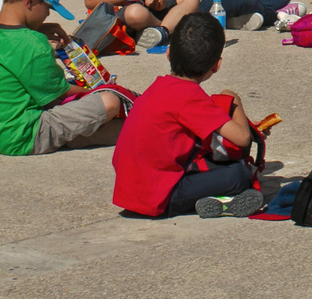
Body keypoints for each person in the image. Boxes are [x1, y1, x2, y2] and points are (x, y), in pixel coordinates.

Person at [0, 0, 125, 155]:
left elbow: (10, 45)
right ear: (31, 0)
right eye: (48, 7)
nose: (48, 15)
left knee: (108, 122)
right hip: (23, 135)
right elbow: (58, 96)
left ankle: (98, 133)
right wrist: (104, 91)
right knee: (109, 102)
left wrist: (36, 29)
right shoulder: (34, 45)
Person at [112, 13, 265, 219]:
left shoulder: (159, 87)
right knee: (239, 174)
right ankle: (221, 201)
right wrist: (235, 101)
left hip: (131, 192)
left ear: (168, 53)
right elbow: (242, 138)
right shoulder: (190, 97)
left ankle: (208, 198)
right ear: (216, 65)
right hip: (161, 199)